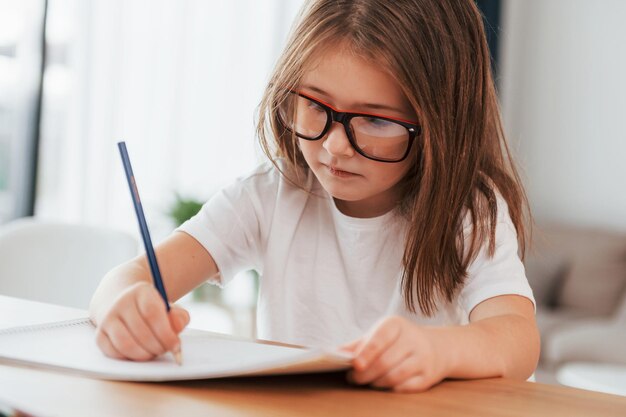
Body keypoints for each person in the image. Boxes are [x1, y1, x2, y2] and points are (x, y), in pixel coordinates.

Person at [90, 0, 540, 393]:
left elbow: (518, 341)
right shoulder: (269, 196)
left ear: (441, 127)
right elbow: (126, 279)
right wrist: (124, 305)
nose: (335, 147)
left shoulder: (469, 211)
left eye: (376, 121)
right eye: (316, 106)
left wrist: (437, 351)